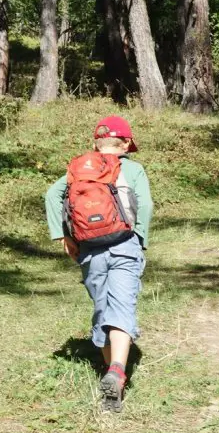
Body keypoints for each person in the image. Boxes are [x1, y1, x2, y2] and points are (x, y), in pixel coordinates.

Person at [44, 116, 153, 412]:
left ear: (96, 143)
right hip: (124, 244)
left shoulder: (80, 168)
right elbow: (144, 205)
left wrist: (63, 236)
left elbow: (52, 195)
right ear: (127, 144)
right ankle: (117, 371)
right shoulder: (132, 168)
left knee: (103, 306)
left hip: (89, 247)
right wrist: (139, 238)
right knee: (123, 306)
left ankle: (110, 374)